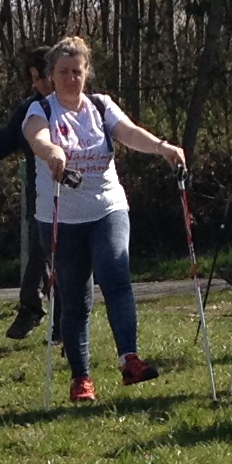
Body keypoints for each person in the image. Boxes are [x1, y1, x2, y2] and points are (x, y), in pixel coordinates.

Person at [23, 34, 189, 404]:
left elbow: (127, 132)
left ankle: (130, 359)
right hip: (60, 217)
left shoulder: (100, 106)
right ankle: (81, 378)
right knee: (75, 297)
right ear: (51, 75)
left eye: (77, 71)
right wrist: (52, 153)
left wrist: (161, 147)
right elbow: (37, 137)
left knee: (116, 274)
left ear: (86, 73)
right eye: (63, 72)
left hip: (107, 208)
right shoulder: (41, 109)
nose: (71, 78)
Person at [0, 47, 55, 339]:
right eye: (33, 78)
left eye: (41, 77)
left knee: (60, 255)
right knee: (41, 250)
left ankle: (49, 315)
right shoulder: (28, 109)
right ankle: (35, 308)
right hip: (39, 192)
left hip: (73, 192)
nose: (38, 84)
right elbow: (5, 141)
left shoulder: (74, 107)